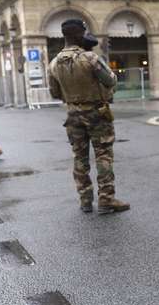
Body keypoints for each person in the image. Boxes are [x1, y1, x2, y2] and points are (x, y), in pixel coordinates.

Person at [48, 19, 130, 215]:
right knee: (103, 154)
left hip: (72, 115)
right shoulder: (90, 58)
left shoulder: (54, 63)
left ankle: (85, 199)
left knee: (79, 157)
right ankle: (106, 199)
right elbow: (110, 80)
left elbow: (54, 93)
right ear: (78, 35)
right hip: (96, 113)